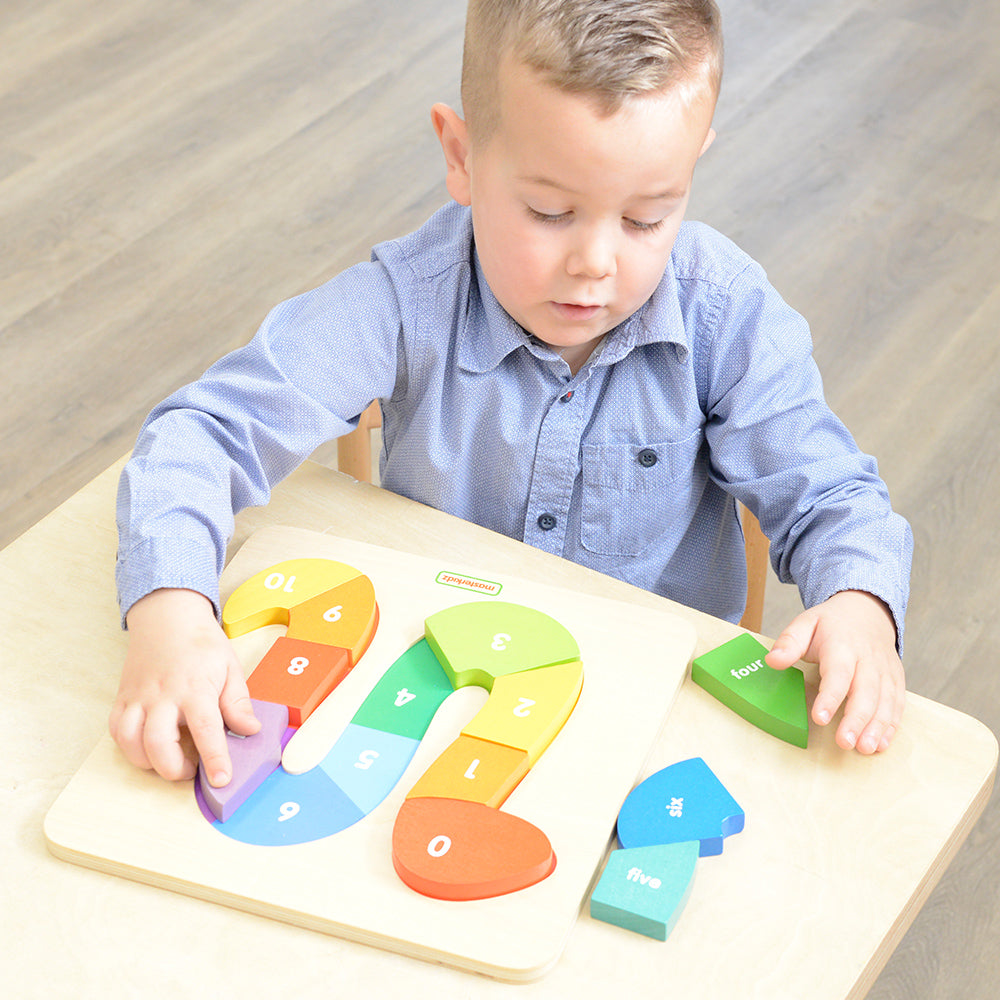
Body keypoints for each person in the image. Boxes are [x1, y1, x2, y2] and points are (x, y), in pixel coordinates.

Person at [110, 0, 912, 790]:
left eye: (647, 218)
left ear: (695, 160)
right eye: (549, 211)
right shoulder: (405, 302)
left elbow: (832, 497)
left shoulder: (726, 312)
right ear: (461, 155)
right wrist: (171, 610)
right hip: (443, 694)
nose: (595, 262)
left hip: (645, 718)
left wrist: (861, 603)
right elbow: (202, 434)